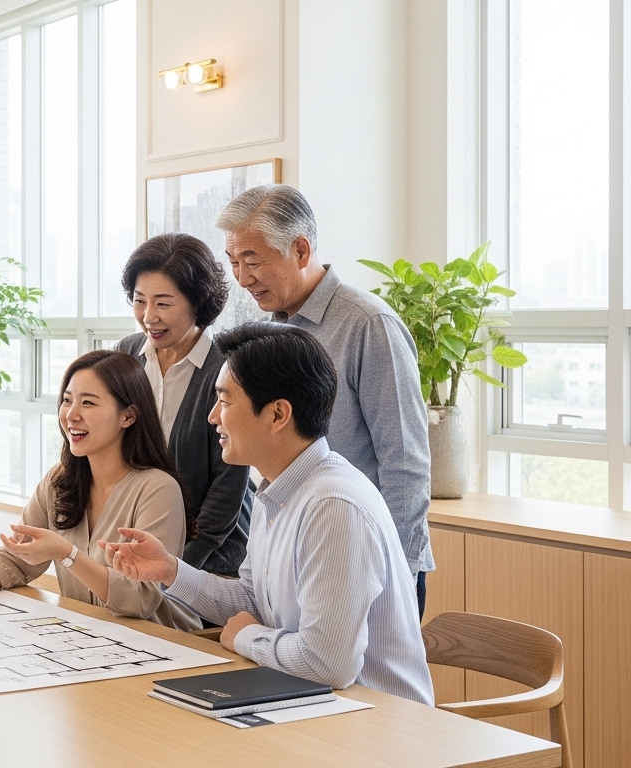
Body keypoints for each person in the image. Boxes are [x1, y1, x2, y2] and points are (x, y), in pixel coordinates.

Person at [102, 323, 434, 704]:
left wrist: (245, 637)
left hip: (378, 727)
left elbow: (328, 664)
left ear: (277, 415)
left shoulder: (333, 507)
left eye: (225, 402)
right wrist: (170, 571)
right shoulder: (277, 488)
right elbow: (254, 603)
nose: (212, 418)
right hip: (310, 706)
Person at [215, 184, 434, 615]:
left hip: (369, 566)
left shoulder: (368, 325)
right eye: (234, 263)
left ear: (299, 249)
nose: (242, 278)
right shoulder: (268, 332)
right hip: (300, 553)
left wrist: (397, 573)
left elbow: (405, 461)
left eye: (253, 261)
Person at [0, 350, 200, 630]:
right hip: (90, 636)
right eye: (67, 401)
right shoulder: (59, 480)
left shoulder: (158, 489)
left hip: (163, 645)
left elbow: (138, 599)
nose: (71, 414)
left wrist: (66, 553)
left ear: (128, 416)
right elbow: (17, 557)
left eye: (88, 403)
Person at [115, 233, 252, 578]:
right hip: (141, 549)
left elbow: (228, 487)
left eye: (163, 303)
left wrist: (176, 570)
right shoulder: (127, 355)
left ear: (197, 301)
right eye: (139, 300)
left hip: (212, 561)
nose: (149, 317)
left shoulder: (228, 365)